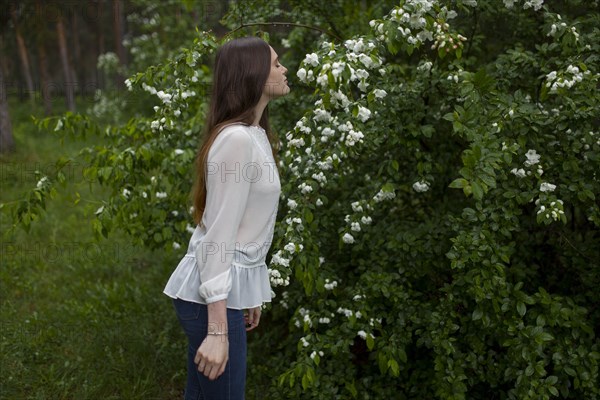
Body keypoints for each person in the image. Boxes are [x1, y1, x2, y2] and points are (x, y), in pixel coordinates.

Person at [163, 36, 289, 400]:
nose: (284, 70)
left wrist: (251, 291)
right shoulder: (237, 140)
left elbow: (246, 228)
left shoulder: (255, 135)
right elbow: (218, 236)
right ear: (253, 74)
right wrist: (218, 332)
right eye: (276, 64)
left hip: (222, 295)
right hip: (211, 302)